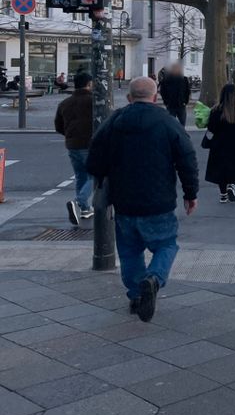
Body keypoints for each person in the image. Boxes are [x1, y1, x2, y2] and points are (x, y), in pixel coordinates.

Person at [86, 77, 198, 323]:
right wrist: (191, 194)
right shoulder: (167, 122)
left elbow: (94, 161)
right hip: (158, 200)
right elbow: (187, 159)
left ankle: (136, 295)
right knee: (166, 245)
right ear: (155, 97)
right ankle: (154, 278)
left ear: (129, 97)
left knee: (129, 252)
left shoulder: (113, 122)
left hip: (124, 201)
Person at [203, 83, 235, 203]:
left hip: (219, 144)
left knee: (221, 168)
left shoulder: (216, 110)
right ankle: (232, 184)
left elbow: (212, 127)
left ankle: (223, 194)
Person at [55, 72, 95, 225]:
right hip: (90, 144)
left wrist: (70, 135)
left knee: (81, 176)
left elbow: (59, 126)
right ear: (89, 84)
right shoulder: (93, 101)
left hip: (72, 145)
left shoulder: (65, 103)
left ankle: (85, 209)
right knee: (94, 175)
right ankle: (79, 202)